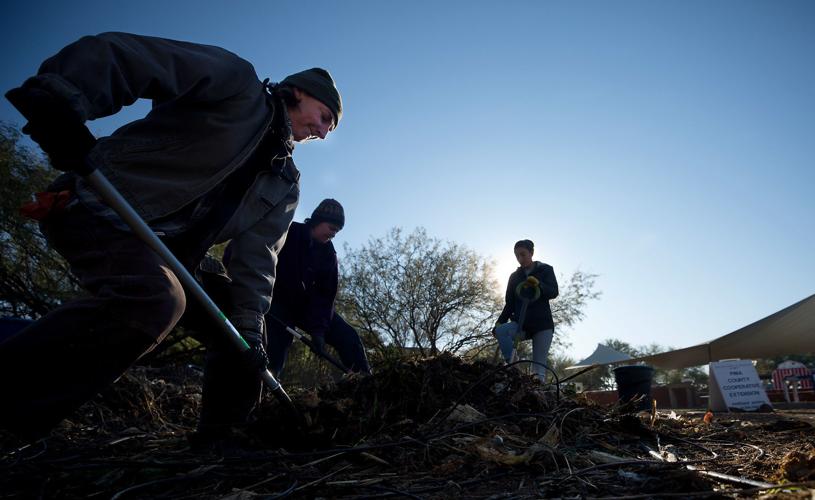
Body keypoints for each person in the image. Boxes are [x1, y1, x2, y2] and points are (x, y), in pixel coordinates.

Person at [0, 32, 342, 440]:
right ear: (299, 92)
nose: (324, 133)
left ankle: (224, 441)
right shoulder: (235, 83)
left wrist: (250, 329)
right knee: (157, 299)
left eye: (330, 127)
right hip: (104, 208)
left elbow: (259, 258)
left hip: (176, 254)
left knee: (241, 330)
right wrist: (63, 93)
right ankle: (9, 409)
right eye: (325, 116)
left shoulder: (285, 183)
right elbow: (137, 58)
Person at [264, 199, 371, 376]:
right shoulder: (289, 232)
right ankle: (268, 382)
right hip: (274, 300)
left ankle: (367, 381)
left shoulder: (329, 255)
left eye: (337, 231)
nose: (334, 234)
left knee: (348, 336)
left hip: (305, 306)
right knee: (277, 345)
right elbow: (259, 250)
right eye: (332, 228)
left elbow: (325, 297)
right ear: (318, 220)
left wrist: (318, 332)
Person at [494, 239, 559, 381]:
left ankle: (538, 388)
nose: (520, 258)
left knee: (538, 370)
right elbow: (510, 303)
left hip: (542, 325)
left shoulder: (545, 269)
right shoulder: (514, 277)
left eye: (523, 254)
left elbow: (554, 292)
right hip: (521, 324)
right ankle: (514, 368)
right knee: (501, 331)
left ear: (531, 253)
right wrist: (500, 322)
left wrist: (539, 285)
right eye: (517, 255)